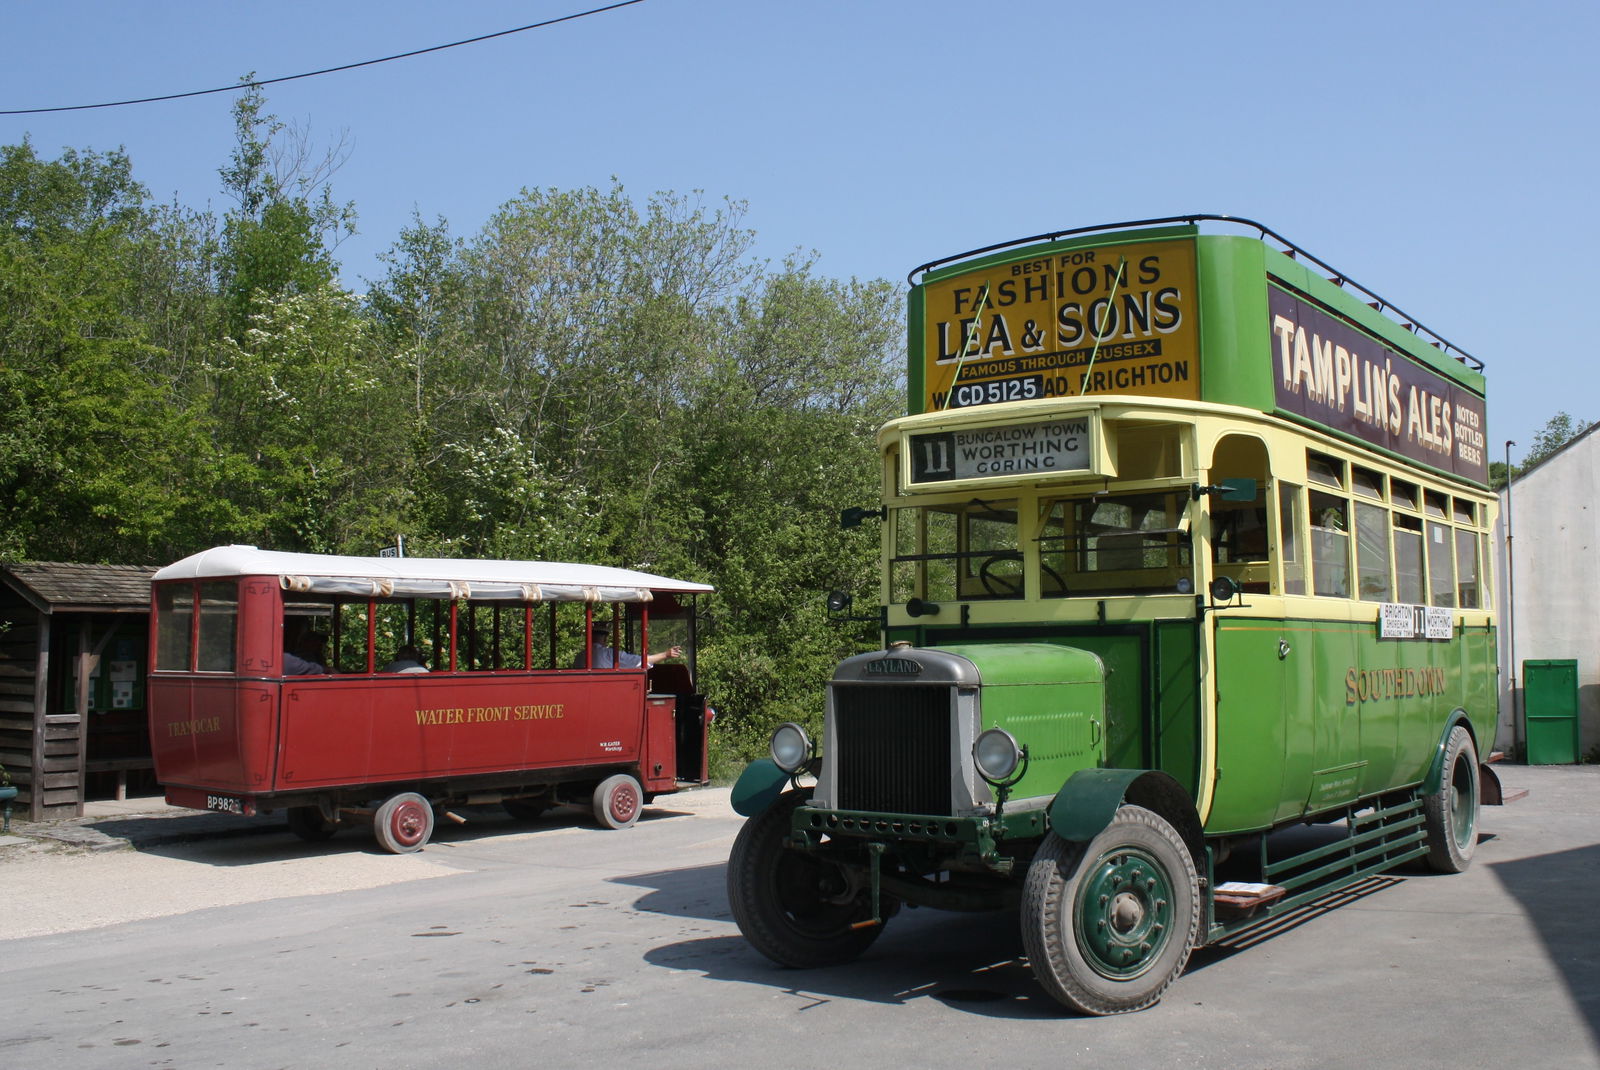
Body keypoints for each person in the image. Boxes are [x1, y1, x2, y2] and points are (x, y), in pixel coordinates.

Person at [582, 622, 682, 669]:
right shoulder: (610, 654)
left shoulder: (580, 656)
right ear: (605, 638)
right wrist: (666, 654)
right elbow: (638, 662)